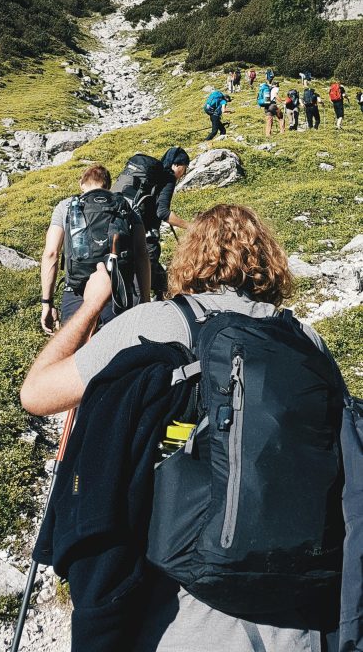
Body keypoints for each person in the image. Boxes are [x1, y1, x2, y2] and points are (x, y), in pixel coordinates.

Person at [21, 204, 342, 652]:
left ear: (190, 259)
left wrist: (94, 302)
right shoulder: (308, 341)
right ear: (270, 261)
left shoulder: (163, 321)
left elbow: (36, 394)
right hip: (302, 611)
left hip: (182, 610)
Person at [40, 162, 150, 333]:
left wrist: (47, 303)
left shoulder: (66, 206)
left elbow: (51, 254)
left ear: (81, 184)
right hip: (116, 290)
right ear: (108, 186)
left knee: (73, 348)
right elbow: (142, 254)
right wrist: (145, 299)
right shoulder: (126, 205)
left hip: (77, 289)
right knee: (117, 349)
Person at [115, 147, 190, 301]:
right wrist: (192, 226)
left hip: (124, 228)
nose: (184, 173)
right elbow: (163, 212)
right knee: (145, 277)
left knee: (147, 275)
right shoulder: (168, 177)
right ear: (177, 165)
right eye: (185, 168)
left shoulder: (151, 178)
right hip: (146, 237)